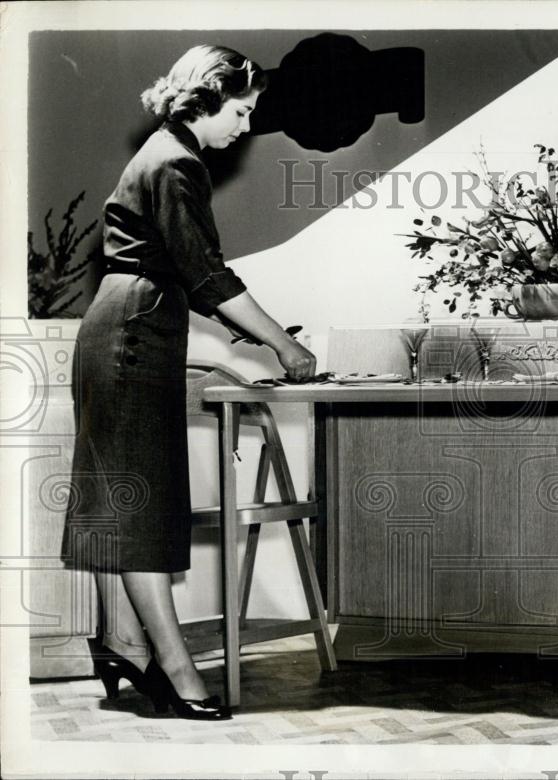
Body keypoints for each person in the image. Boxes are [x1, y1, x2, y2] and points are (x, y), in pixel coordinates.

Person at [62, 45, 316, 721]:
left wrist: (228, 321)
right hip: (135, 332)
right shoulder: (177, 162)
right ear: (206, 99)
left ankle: (122, 644)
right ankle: (176, 670)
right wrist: (282, 344)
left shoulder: (160, 151)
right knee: (140, 506)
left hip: (124, 323)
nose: (247, 125)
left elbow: (181, 270)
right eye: (241, 109)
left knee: (124, 497)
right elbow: (208, 275)